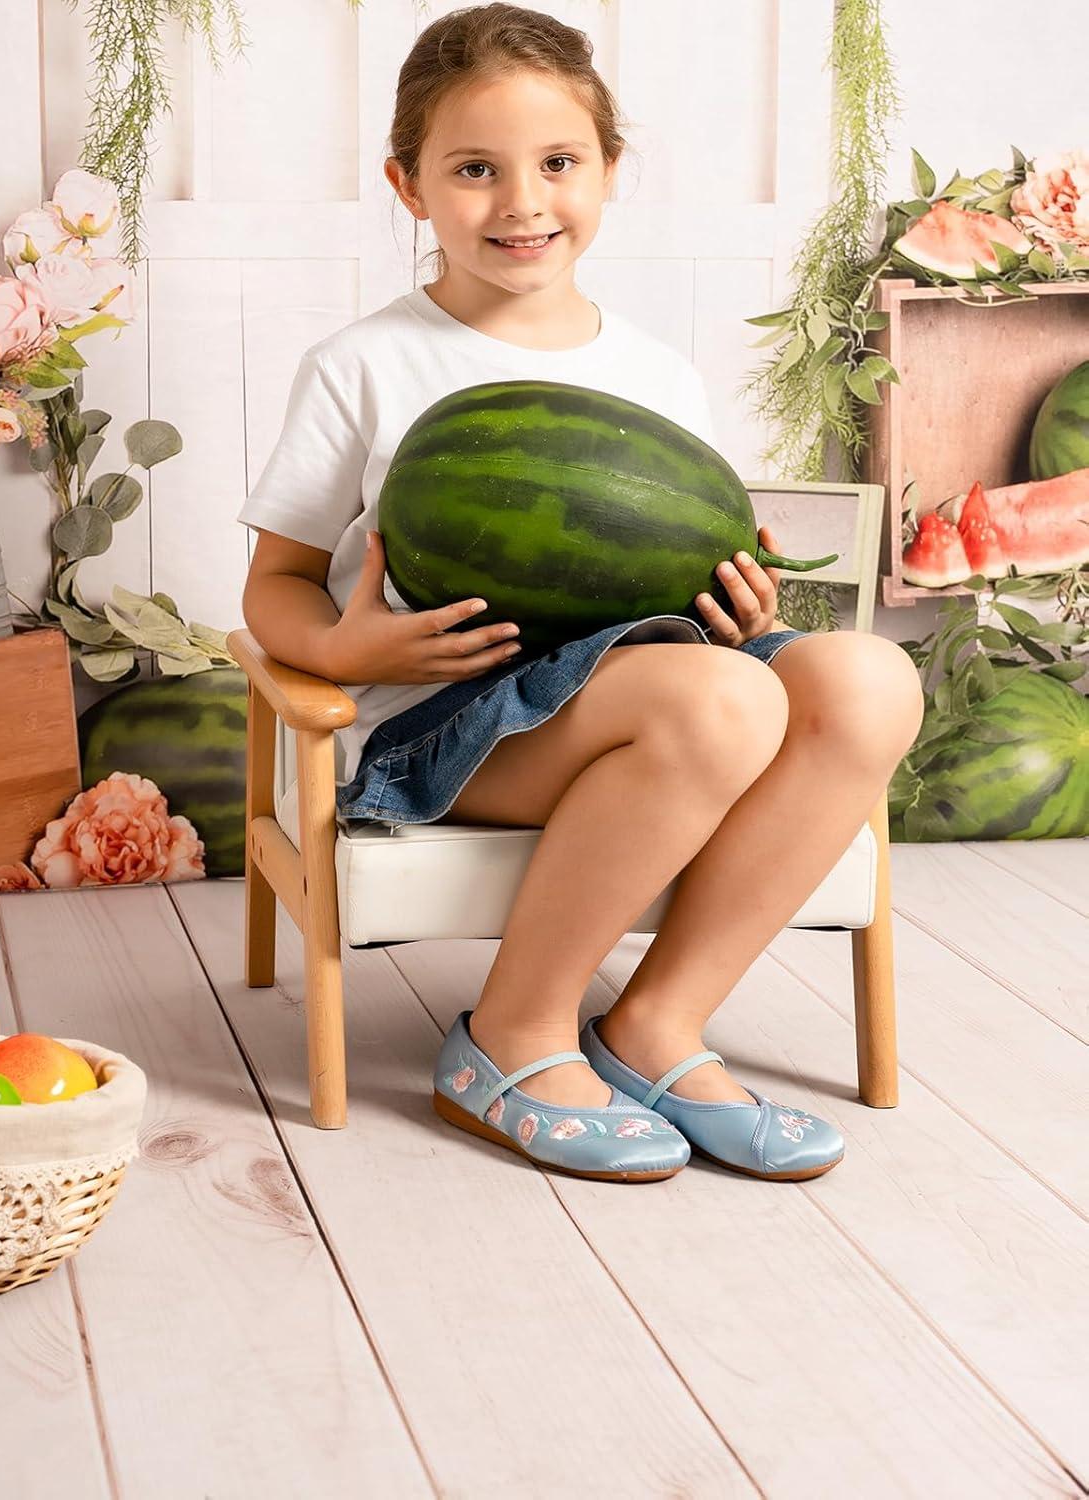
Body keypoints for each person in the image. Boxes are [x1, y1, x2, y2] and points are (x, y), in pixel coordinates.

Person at [236, 3, 923, 1182]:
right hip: (450, 732)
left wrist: (736, 608)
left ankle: (655, 1027)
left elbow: (680, 576)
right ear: (409, 185)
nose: (521, 202)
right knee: (719, 705)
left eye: (558, 163)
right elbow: (275, 592)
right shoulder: (363, 363)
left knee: (865, 679)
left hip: (644, 691)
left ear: (609, 171)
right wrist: (357, 654)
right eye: (474, 170)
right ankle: (511, 1036)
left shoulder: (653, 372)